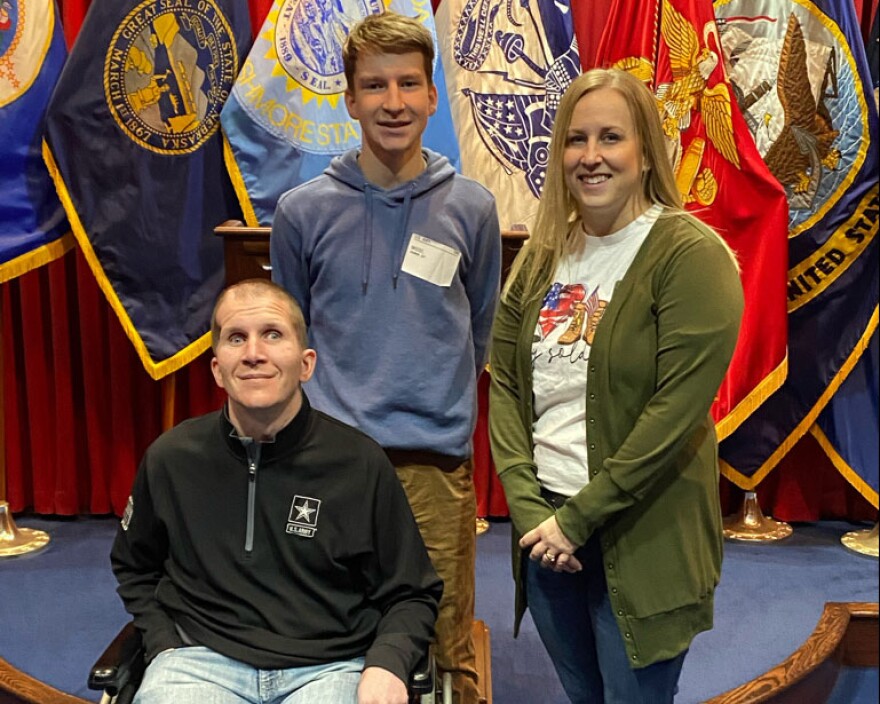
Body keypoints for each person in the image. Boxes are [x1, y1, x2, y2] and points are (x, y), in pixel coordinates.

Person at [488, 68, 744, 704]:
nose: (591, 156)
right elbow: (506, 390)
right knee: (583, 695)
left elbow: (674, 415)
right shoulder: (544, 252)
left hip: (642, 534)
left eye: (611, 137)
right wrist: (532, 513)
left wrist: (579, 520)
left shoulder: (690, 255)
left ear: (645, 151)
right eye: (576, 139)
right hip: (547, 535)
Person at [270, 12, 501, 704]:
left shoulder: (472, 207)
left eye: (408, 84)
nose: (393, 102)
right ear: (349, 99)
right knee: (330, 624)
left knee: (440, 635)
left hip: (433, 460)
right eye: (374, 86)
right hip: (330, 459)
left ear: (433, 97)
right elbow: (292, 335)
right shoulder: (301, 212)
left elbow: (479, 325)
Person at [111, 279, 442, 704]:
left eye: (272, 334)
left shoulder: (360, 463)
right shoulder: (170, 458)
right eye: (235, 338)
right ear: (217, 368)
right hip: (198, 662)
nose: (253, 354)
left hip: (330, 667)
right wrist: (162, 645)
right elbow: (135, 566)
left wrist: (388, 663)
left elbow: (412, 591)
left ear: (306, 363)